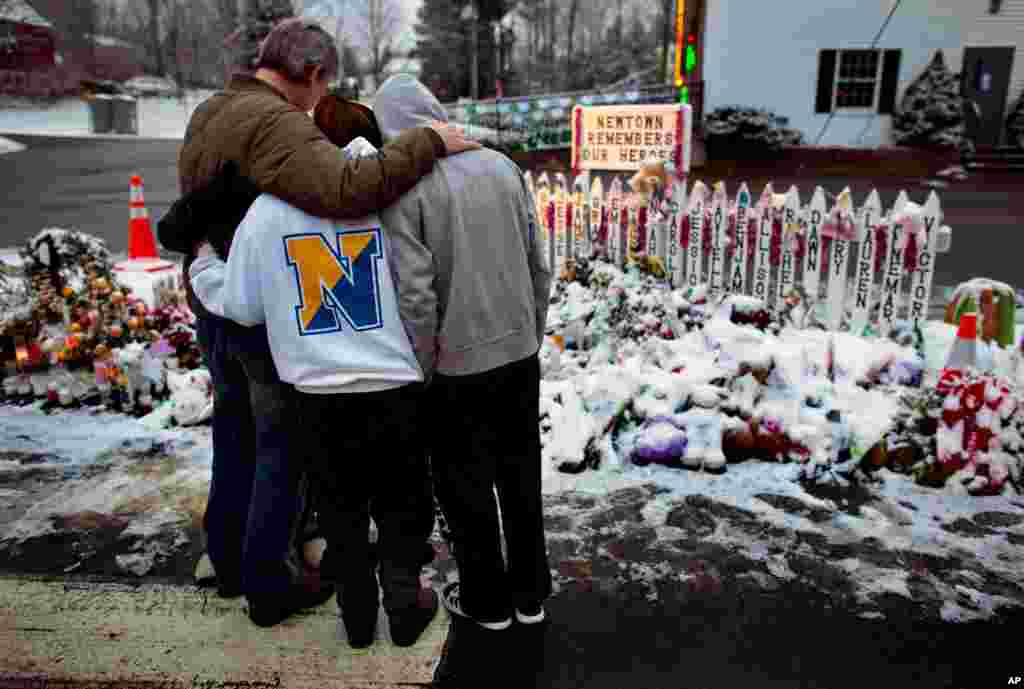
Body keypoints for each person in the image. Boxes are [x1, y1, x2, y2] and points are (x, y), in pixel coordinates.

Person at [156, 17, 477, 629]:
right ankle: (270, 582)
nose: (318, 103)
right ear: (309, 73)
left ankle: (231, 558)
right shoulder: (273, 119)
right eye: (321, 87)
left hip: (221, 299)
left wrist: (199, 261)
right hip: (262, 310)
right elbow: (346, 188)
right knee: (281, 452)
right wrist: (430, 141)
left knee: (235, 440)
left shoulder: (212, 110)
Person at [187, 102, 440, 650]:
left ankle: (355, 617)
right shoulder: (386, 196)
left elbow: (244, 305)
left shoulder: (268, 211)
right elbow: (422, 280)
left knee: (340, 510)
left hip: (316, 393)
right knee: (402, 505)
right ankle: (403, 604)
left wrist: (204, 266)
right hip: (394, 385)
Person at [372, 75, 553, 633]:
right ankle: (531, 593)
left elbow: (416, 293)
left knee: (465, 485)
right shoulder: (501, 166)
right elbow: (537, 262)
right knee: (522, 477)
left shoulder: (407, 187)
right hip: (519, 352)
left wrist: (423, 365)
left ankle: (488, 600)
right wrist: (533, 329)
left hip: (455, 364)